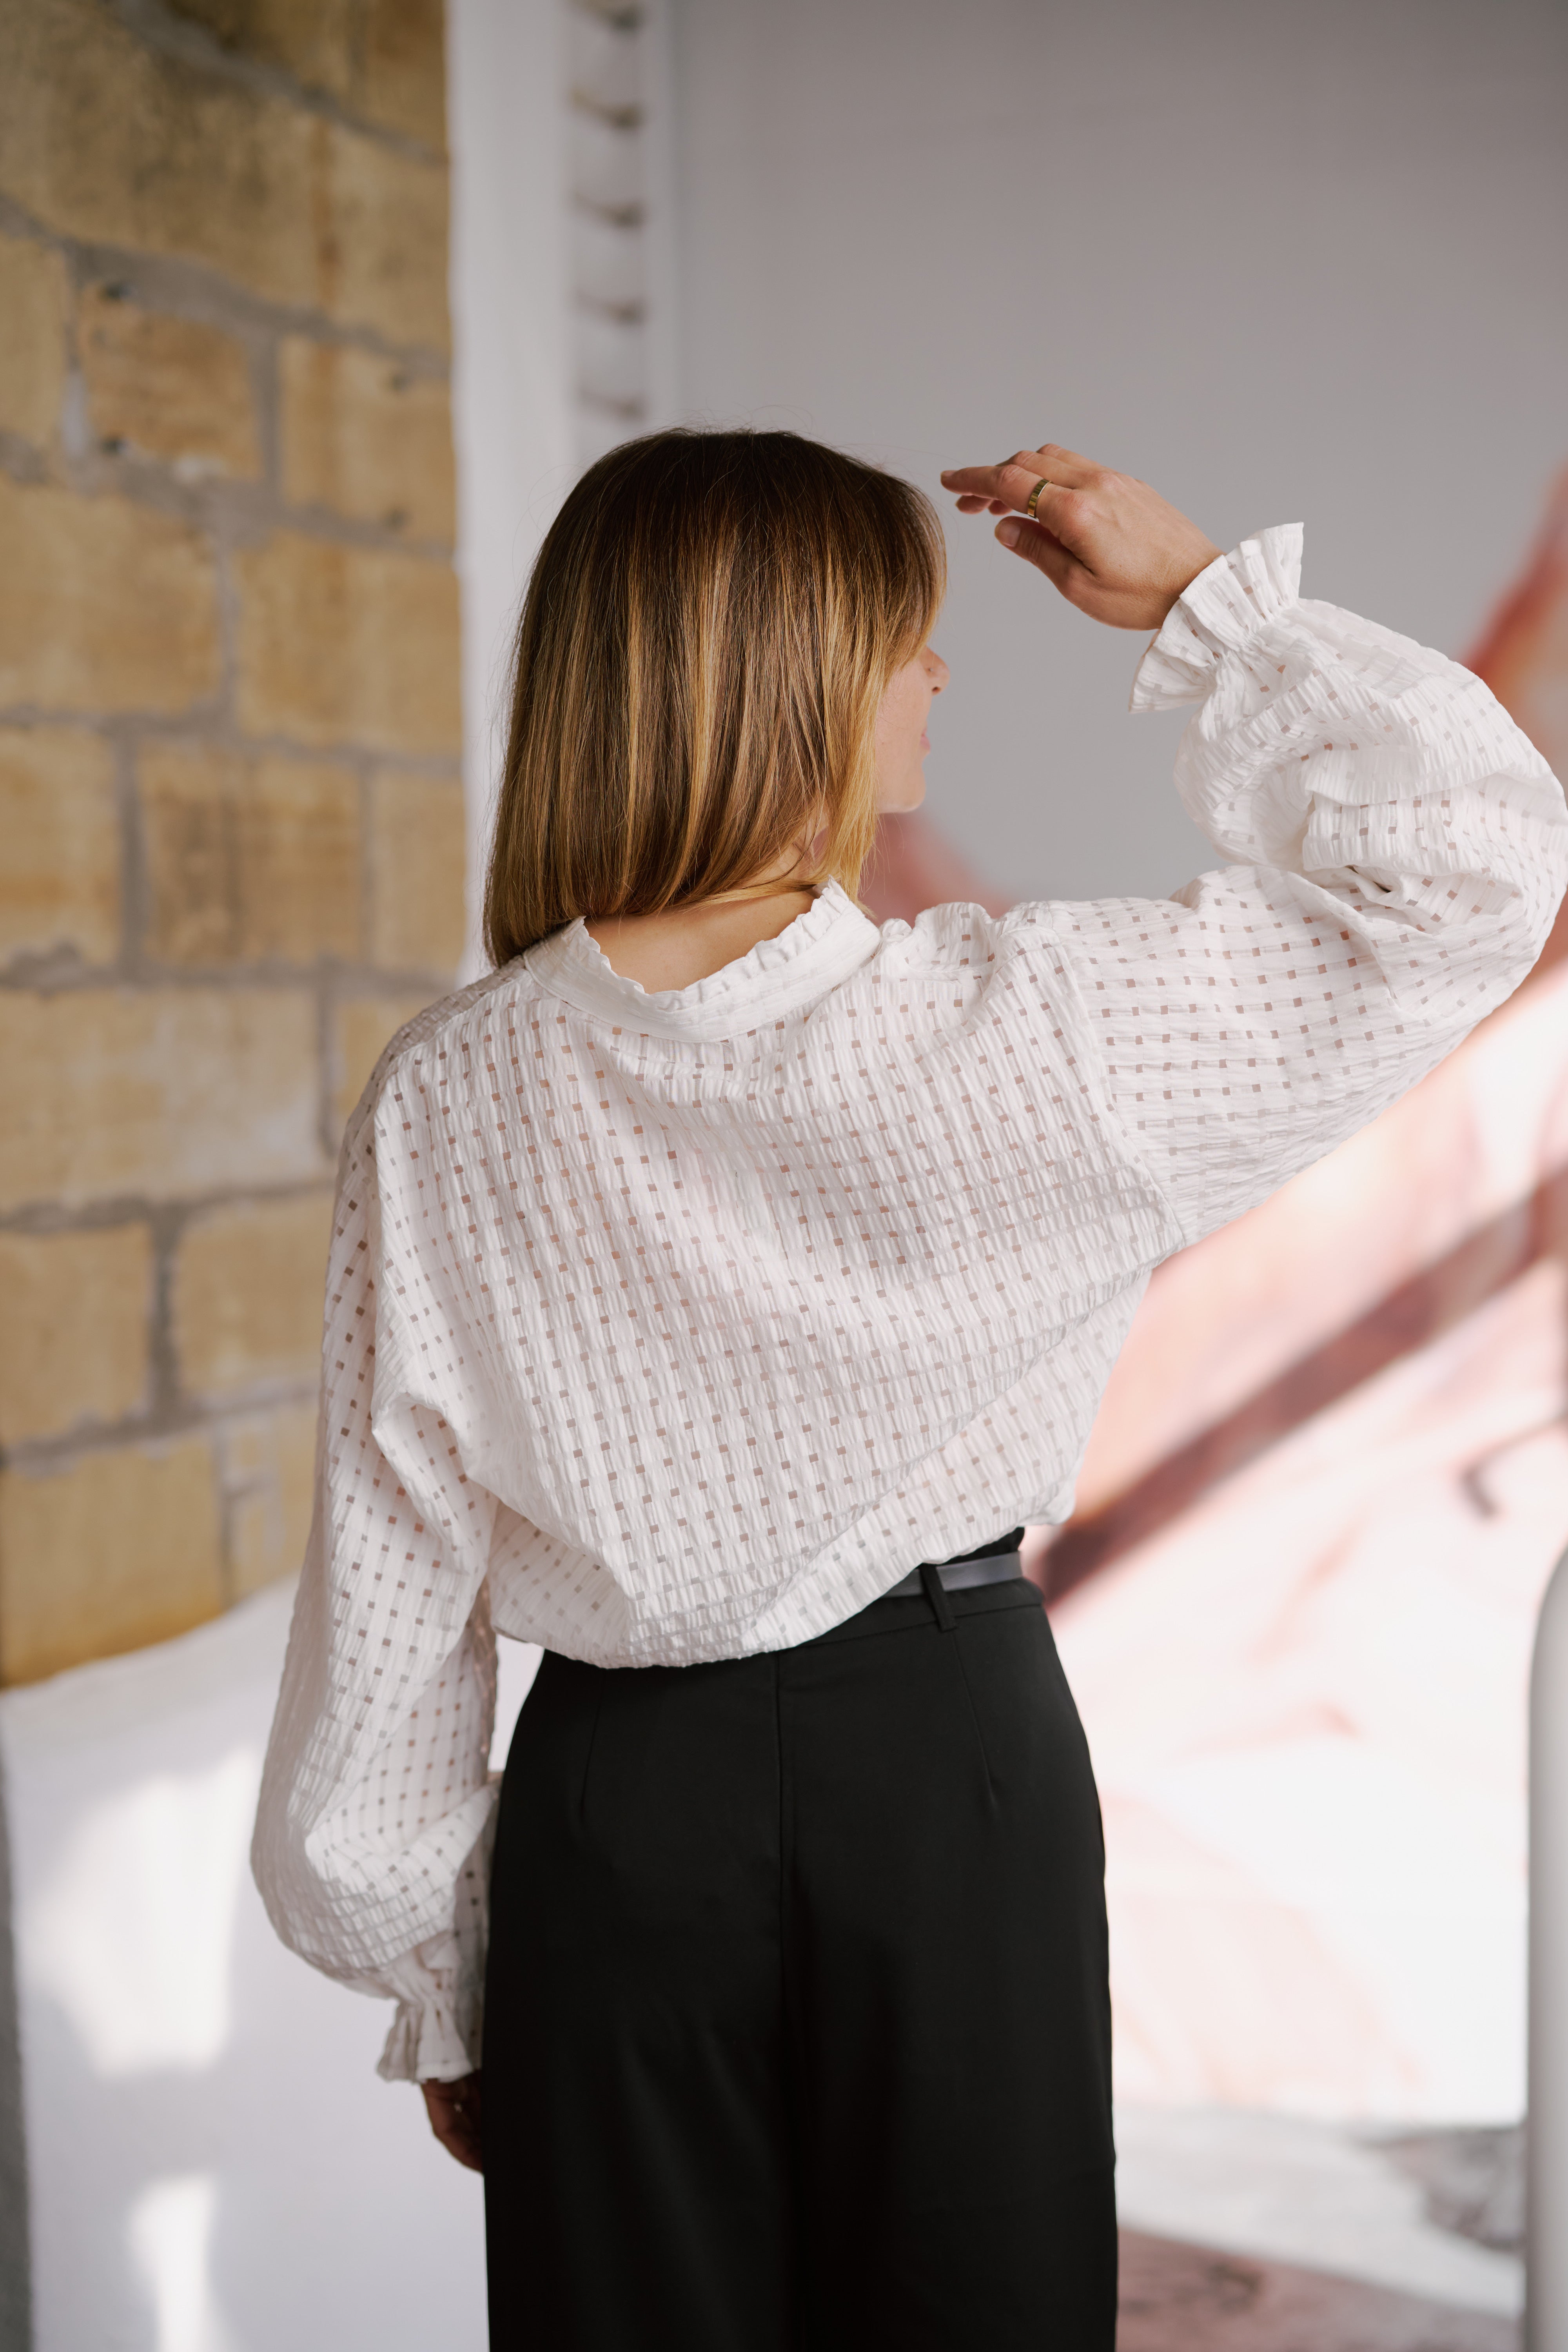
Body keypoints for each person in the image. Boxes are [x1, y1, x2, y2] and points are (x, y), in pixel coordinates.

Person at [252, 428, 1566, 2349]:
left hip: (620, 1810)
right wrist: (1205, 607)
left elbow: (394, 1572)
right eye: (900, 636)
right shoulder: (1040, 1029)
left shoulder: (449, 1092)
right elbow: (1471, 871)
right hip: (948, 1762)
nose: (935, 673)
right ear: (786, 679)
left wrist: (445, 1983)